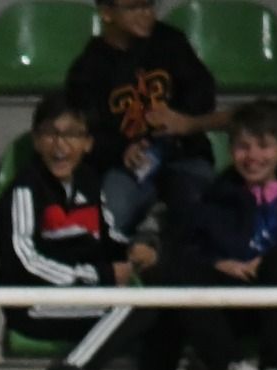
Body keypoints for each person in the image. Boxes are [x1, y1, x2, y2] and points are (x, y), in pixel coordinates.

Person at [136, 101, 277, 370]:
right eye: (244, 147)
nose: (253, 156)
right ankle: (231, 369)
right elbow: (185, 249)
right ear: (232, 150)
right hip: (235, 303)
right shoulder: (213, 198)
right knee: (172, 274)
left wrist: (273, 264)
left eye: (264, 146)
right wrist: (219, 263)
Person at [0, 94, 160, 370]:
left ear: (88, 143)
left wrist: (134, 250)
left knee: (160, 305)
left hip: (79, 294)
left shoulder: (89, 181)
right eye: (50, 134)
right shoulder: (23, 191)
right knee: (134, 306)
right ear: (36, 140)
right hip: (32, 301)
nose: (60, 145)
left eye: (72, 135)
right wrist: (98, 276)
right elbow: (25, 262)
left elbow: (109, 234)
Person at [66, 0, 222, 244]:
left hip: (182, 154)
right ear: (107, 13)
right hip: (124, 166)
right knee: (110, 217)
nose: (146, 14)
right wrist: (121, 149)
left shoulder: (170, 42)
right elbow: (86, 131)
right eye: (134, 8)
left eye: (149, 6)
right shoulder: (89, 67)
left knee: (201, 208)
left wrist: (180, 119)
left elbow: (203, 92)